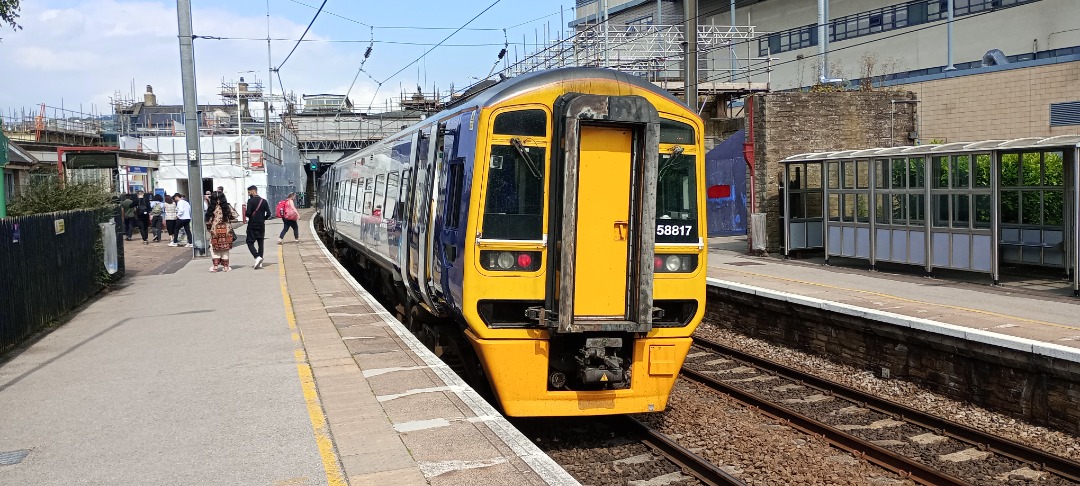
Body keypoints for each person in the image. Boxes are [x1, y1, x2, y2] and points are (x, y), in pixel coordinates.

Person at [205, 192, 239, 272]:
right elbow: (235, 215)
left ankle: (216, 267)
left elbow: (208, 221)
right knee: (225, 249)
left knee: (214, 249)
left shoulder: (211, 208)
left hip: (215, 230)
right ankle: (226, 267)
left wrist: (210, 229)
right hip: (227, 230)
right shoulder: (227, 207)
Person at [244, 185, 272, 269]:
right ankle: (260, 262)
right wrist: (263, 218)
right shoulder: (264, 201)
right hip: (261, 224)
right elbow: (269, 214)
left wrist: (247, 214)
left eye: (249, 192)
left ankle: (257, 257)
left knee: (249, 242)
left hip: (252, 224)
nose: (248, 194)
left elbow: (248, 213)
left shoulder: (250, 201)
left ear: (253, 191)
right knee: (260, 242)